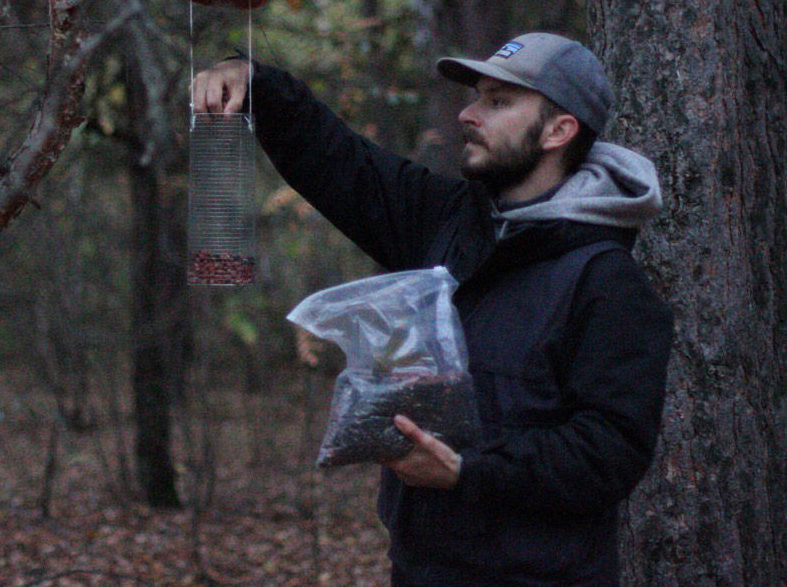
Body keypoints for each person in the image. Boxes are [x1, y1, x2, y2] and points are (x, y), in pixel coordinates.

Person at [192, 33, 673, 587]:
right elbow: (339, 162)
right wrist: (254, 83)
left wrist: (466, 471)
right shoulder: (446, 222)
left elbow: (607, 454)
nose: (469, 114)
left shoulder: (607, 282)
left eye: (498, 102)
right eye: (477, 97)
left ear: (559, 131)